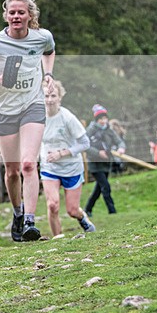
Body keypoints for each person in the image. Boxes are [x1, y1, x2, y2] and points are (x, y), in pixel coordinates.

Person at [0, 0, 56, 243]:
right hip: (4, 110)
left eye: (21, 12)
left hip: (32, 105)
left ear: (30, 15)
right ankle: (18, 213)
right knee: (11, 171)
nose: (16, 16)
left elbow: (49, 51)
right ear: (6, 15)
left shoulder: (43, 37)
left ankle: (30, 221)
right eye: (12, 12)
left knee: (28, 164)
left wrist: (48, 73)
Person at [40, 81, 96, 236]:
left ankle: (82, 218)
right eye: (46, 96)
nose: (49, 99)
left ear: (60, 98)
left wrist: (62, 153)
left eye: (53, 96)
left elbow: (85, 143)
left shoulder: (67, 118)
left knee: (72, 210)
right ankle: (58, 239)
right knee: (52, 205)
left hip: (71, 167)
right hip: (49, 167)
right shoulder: (37, 117)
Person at [84, 104, 125, 216]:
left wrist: (121, 147)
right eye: (100, 119)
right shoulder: (91, 130)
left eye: (105, 118)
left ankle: (87, 209)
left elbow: (119, 141)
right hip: (95, 164)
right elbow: (85, 145)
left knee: (98, 189)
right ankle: (112, 211)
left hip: (106, 164)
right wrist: (98, 153)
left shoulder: (109, 130)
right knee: (105, 186)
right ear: (96, 120)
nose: (103, 121)